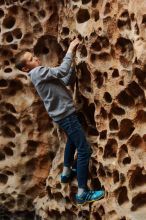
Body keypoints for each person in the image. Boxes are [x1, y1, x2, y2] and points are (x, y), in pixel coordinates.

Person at [15, 38, 105, 204]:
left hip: (62, 115)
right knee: (84, 150)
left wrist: (74, 65)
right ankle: (82, 193)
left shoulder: (40, 73)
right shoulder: (37, 72)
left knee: (71, 138)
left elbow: (65, 79)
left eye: (33, 56)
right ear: (26, 68)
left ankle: (66, 172)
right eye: (30, 59)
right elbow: (62, 71)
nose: (35, 58)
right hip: (66, 115)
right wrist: (71, 49)